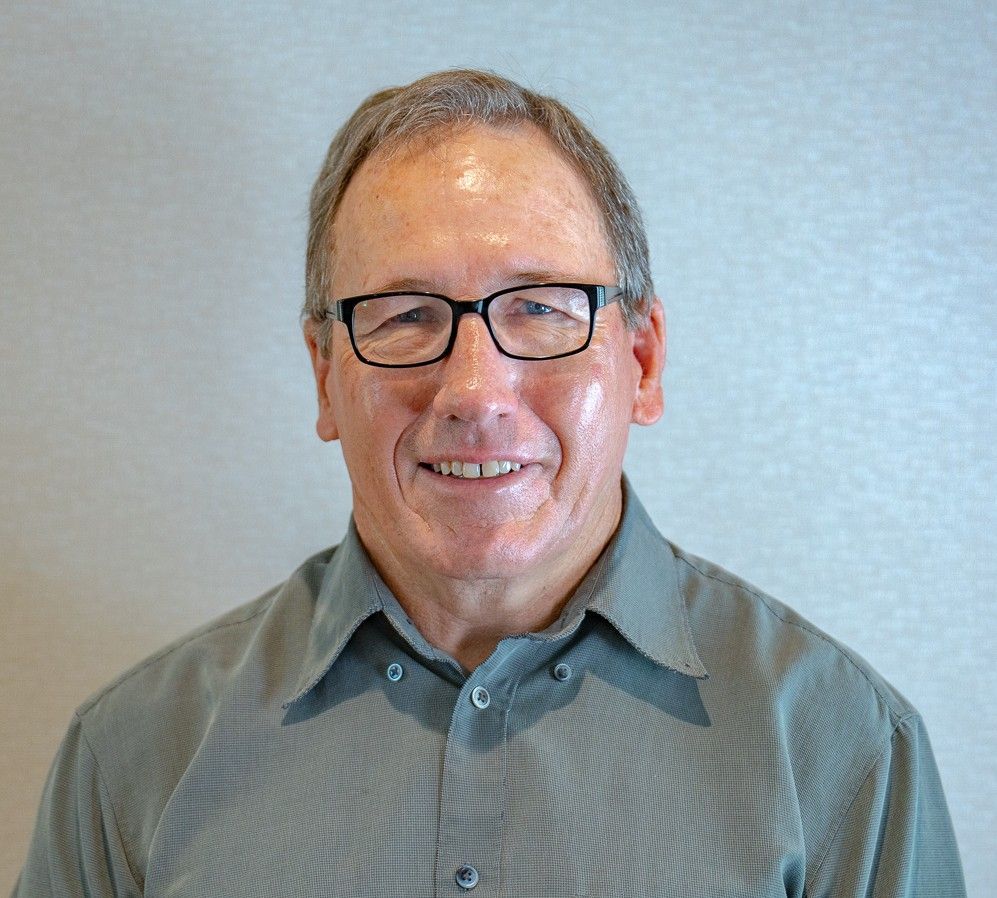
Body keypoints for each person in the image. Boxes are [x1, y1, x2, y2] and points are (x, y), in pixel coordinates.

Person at [14, 69, 965, 897]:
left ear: (641, 360)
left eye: (541, 308)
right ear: (324, 376)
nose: (473, 391)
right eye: (404, 316)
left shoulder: (844, 748)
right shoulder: (131, 756)